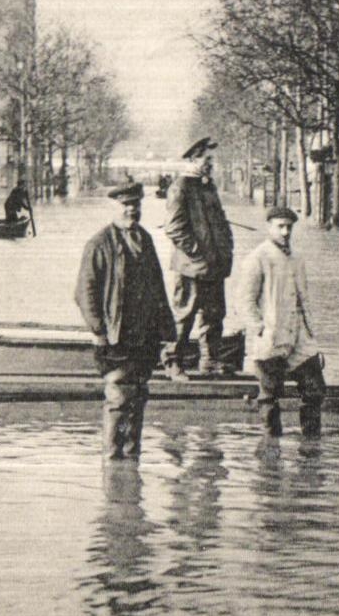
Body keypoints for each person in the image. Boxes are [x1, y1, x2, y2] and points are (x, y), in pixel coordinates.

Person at [74, 182, 177, 460]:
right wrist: (99, 331)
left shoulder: (145, 239)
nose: (132, 210)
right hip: (115, 335)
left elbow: (158, 287)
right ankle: (112, 462)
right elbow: (85, 291)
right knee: (118, 399)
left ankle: (131, 464)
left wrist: (168, 332)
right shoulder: (99, 243)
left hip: (144, 337)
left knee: (139, 399)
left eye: (136, 206)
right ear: (114, 208)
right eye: (126, 206)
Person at [236, 205, 326, 438]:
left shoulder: (297, 259)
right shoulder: (258, 258)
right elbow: (244, 301)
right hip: (270, 338)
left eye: (289, 227)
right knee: (270, 395)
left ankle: (310, 445)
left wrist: (312, 337)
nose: (285, 232)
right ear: (269, 227)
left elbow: (304, 300)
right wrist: (260, 329)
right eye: (280, 227)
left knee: (315, 389)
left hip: (299, 337)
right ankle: (270, 449)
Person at [162, 137, 233, 380]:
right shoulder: (181, 187)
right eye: (207, 159)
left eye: (212, 159)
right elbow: (173, 228)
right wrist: (196, 252)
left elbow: (221, 222)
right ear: (194, 159)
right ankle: (173, 362)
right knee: (184, 315)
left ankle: (210, 361)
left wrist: (225, 250)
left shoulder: (207, 186)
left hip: (214, 265)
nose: (211, 163)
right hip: (192, 267)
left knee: (214, 315)